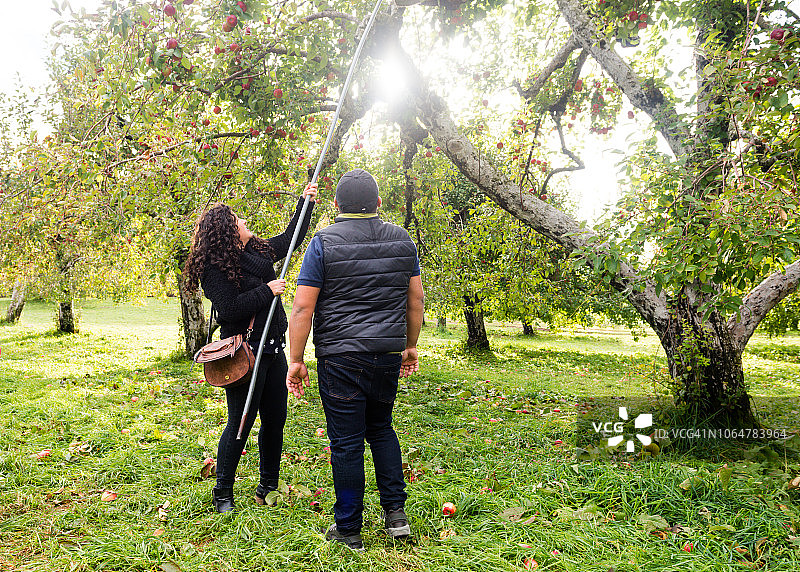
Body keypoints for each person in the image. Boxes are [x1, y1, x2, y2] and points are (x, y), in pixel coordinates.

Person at [285, 169, 424, 551]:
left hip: (341, 357)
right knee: (381, 429)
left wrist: (295, 359)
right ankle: (396, 516)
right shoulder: (402, 239)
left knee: (346, 443)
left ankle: (348, 528)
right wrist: (409, 345)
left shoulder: (323, 243)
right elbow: (416, 299)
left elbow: (302, 308)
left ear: (335, 205)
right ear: (379, 203)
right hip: (385, 355)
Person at [183, 182, 317, 513]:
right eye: (238, 220)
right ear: (228, 232)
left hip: (273, 348)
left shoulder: (256, 252)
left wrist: (305, 202)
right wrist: (267, 291)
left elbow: (290, 240)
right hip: (245, 353)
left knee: (275, 419)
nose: (244, 222)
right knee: (240, 422)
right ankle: (223, 491)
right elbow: (229, 309)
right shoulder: (215, 267)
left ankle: (268, 486)